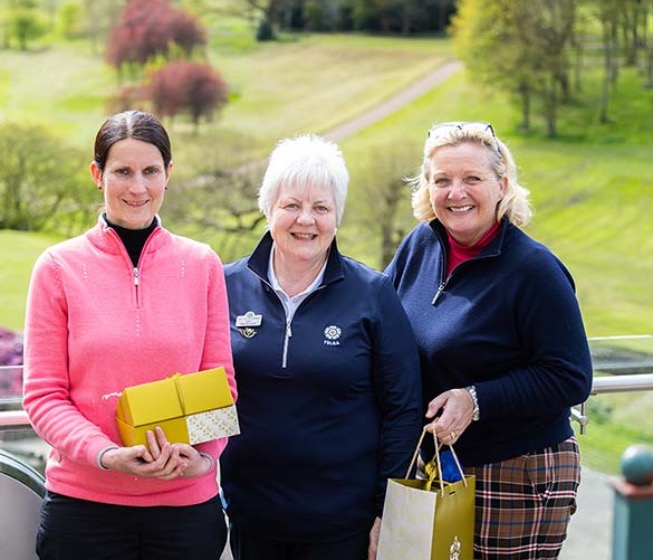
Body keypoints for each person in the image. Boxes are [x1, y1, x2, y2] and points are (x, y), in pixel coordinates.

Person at [22, 110, 236, 560]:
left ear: (168, 174)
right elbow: (43, 396)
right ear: (97, 174)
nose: (138, 188)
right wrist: (105, 454)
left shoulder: (202, 265)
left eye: (150, 171)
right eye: (122, 171)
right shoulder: (57, 268)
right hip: (85, 511)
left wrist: (203, 457)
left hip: (185, 512)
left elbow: (221, 384)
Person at [385, 121, 593, 560]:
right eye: (442, 180)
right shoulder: (420, 246)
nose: (456, 192)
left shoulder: (534, 271)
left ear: (501, 185)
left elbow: (570, 376)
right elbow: (381, 326)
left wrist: (474, 400)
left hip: (518, 473)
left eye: (472, 179)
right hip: (440, 466)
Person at [221, 134, 423, 560]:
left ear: (338, 216)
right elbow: (202, 389)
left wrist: (389, 511)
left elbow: (403, 408)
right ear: (269, 208)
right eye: (291, 205)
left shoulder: (373, 294)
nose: (305, 220)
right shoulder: (224, 286)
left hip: (343, 526)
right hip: (250, 518)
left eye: (321, 208)